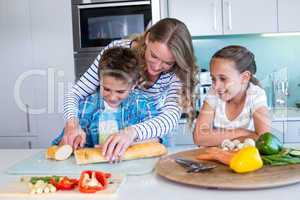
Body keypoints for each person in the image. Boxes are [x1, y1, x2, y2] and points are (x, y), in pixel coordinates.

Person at [61, 18, 198, 161]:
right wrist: (72, 124)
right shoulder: (118, 51)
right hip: (113, 131)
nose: (157, 67)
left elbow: (170, 117)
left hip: (153, 136)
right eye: (154, 56)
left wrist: (131, 133)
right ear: (147, 38)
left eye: (167, 62)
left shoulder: (178, 73)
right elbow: (75, 93)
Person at [52, 47, 158, 153]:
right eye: (106, 89)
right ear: (99, 80)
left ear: (133, 85)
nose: (112, 97)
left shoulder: (144, 104)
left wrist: (131, 142)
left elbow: (158, 139)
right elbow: (59, 145)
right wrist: (73, 141)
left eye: (120, 92)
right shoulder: (85, 107)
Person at [193, 45, 271, 147]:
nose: (216, 86)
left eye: (223, 79)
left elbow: (264, 140)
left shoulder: (256, 95)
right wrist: (244, 133)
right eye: (213, 79)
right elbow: (199, 138)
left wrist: (214, 138)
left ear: (244, 77)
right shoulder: (214, 93)